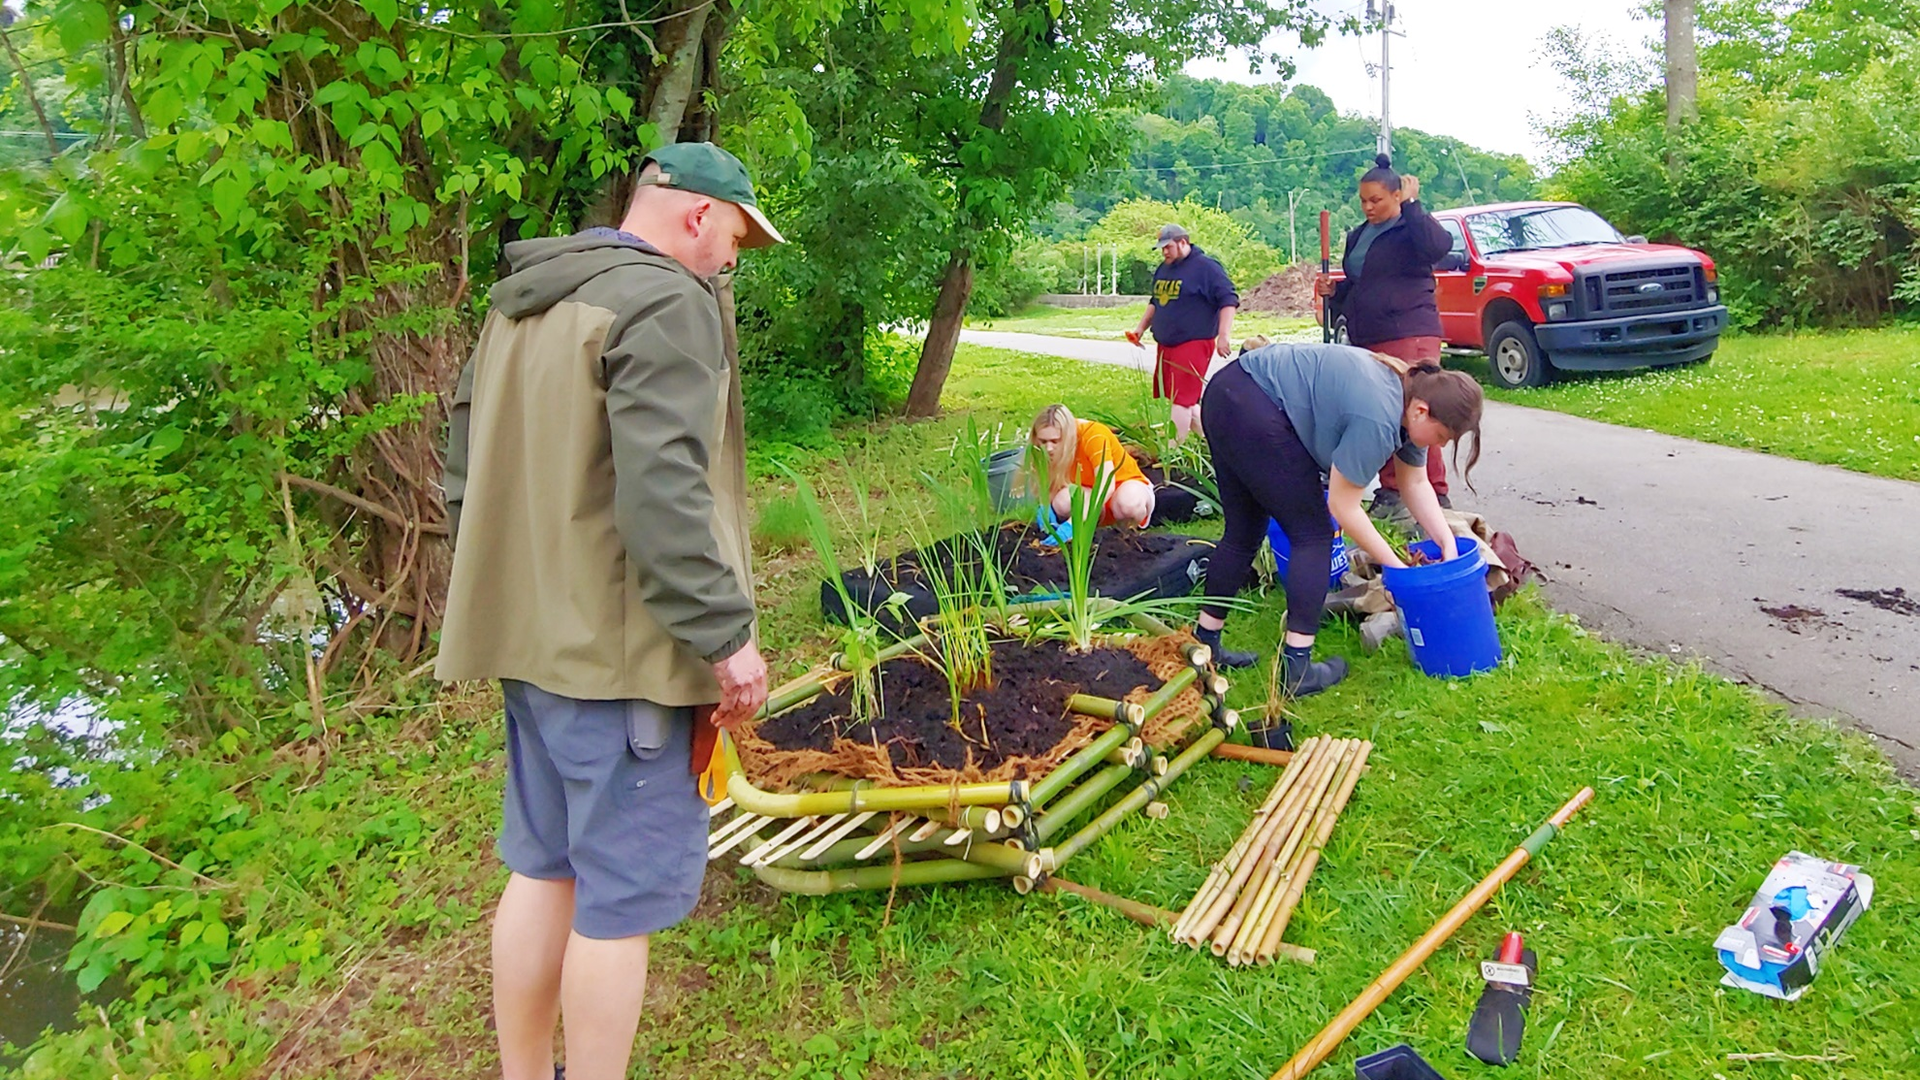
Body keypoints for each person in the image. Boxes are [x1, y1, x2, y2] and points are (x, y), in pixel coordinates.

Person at [437, 141, 781, 1080]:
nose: (733, 260)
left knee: (542, 867)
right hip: (618, 665)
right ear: (700, 214)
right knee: (618, 903)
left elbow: (461, 471)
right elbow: (662, 493)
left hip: (530, 641)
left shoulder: (526, 300)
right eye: (738, 238)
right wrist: (726, 638)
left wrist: (508, 588)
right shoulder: (664, 301)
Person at [1190, 341, 1483, 735]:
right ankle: (1297, 669)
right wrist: (1395, 570)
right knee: (1314, 533)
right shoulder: (1379, 416)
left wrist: (1446, 542)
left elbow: (1415, 483)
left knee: (1244, 530)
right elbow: (1344, 507)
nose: (1441, 445)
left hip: (1227, 393)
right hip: (1252, 404)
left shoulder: (1409, 397)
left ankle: (1204, 647)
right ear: (1421, 412)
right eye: (1443, 435)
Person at [1318, 154, 1455, 521]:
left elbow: (1437, 246)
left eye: (1376, 200)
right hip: (1369, 333)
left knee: (1419, 407)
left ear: (1396, 195)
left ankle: (1433, 492)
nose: (1368, 207)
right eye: (1363, 200)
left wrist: (1413, 205)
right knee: (1380, 410)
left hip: (1409, 329)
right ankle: (1391, 489)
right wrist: (1336, 293)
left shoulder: (1413, 228)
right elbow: (1364, 284)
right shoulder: (1359, 236)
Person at [1126, 224, 1238, 444]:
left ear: (1183, 243)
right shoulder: (1164, 268)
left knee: (1182, 400)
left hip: (1194, 341)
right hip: (1167, 343)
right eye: (1162, 248)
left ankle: (1173, 449)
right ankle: (1211, 443)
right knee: (1185, 399)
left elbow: (1228, 300)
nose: (1164, 252)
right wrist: (1140, 328)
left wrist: (1223, 336)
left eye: (1168, 247)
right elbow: (1155, 302)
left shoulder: (1206, 268)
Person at [1028, 404, 1156, 528]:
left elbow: (1106, 486)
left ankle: (1126, 533)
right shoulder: (1041, 448)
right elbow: (1050, 483)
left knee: (1128, 504)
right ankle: (1095, 529)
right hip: (1091, 496)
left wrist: (1070, 525)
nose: (1049, 448)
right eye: (1043, 441)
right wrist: (1045, 508)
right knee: (1062, 502)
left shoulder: (1093, 435)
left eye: (1055, 441)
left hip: (1121, 487)